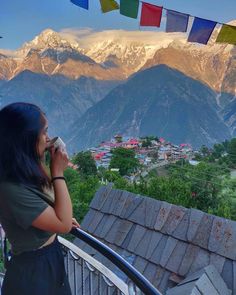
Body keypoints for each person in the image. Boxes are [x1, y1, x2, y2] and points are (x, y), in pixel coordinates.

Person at [0, 102, 80, 295]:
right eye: (44, 132)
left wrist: (57, 218)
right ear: (25, 139)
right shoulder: (10, 188)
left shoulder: (24, 173)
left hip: (48, 258)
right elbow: (63, 226)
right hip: (33, 271)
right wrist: (58, 172)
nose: (48, 138)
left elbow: (57, 214)